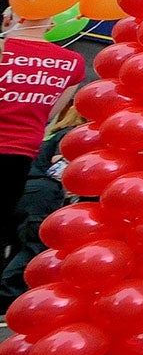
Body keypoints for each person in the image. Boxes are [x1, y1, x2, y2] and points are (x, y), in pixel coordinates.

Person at [0, 9, 84, 281]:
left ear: (11, 19)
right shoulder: (72, 62)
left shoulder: (4, 48)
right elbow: (50, 114)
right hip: (21, 152)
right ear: (51, 25)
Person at [0, 101, 82, 308]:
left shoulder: (53, 135)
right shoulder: (73, 135)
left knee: (16, 242)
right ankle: (7, 294)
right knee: (35, 245)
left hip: (22, 187)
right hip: (43, 192)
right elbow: (59, 163)